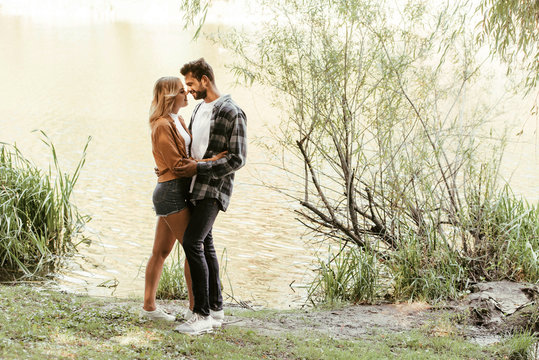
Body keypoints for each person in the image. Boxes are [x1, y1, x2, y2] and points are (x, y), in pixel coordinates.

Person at [172, 58, 247, 335]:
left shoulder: (231, 111)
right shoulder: (200, 109)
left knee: (193, 241)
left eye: (191, 84)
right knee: (206, 245)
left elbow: (237, 159)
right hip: (194, 185)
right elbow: (195, 148)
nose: (188, 91)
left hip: (214, 188)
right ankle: (215, 310)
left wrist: (202, 166)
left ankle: (200, 315)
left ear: (205, 79)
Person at [142, 76, 226, 322]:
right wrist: (211, 162)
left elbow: (182, 156)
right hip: (171, 192)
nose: (186, 94)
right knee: (193, 247)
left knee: (161, 251)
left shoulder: (177, 119)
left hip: (176, 189)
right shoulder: (161, 125)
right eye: (181, 91)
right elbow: (178, 165)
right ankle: (196, 309)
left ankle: (148, 308)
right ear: (169, 97)